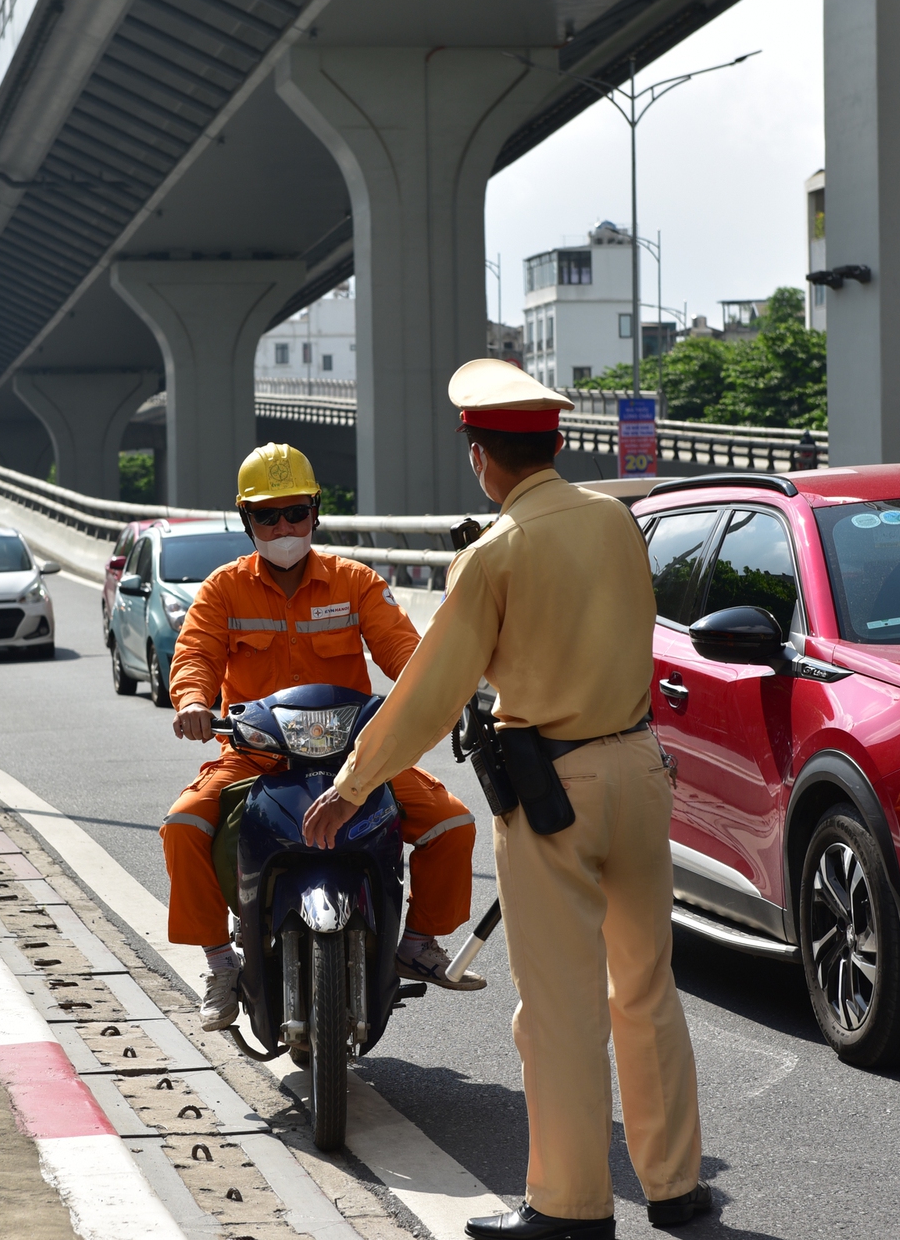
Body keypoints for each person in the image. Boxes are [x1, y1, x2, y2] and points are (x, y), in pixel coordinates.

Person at [301, 360, 710, 1235]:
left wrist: (351, 782)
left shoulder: (495, 552)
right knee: (646, 983)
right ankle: (676, 1186)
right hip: (640, 768)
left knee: (560, 1009)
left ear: (482, 459)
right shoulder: (616, 521)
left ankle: (570, 1206)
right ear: (556, 444)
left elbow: (428, 692)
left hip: (551, 786)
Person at [164, 442, 485, 1032]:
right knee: (184, 825)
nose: (284, 527)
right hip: (254, 757)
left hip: (355, 758)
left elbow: (404, 653)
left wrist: (440, 691)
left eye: (294, 513)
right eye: (268, 515)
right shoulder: (221, 590)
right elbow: (195, 656)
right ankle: (218, 964)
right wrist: (191, 703)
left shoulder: (355, 582)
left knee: (452, 824)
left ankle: (416, 941)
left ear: (315, 512)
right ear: (247, 520)